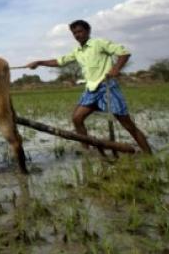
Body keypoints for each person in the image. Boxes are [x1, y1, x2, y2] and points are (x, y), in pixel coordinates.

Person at [26, 20, 152, 154]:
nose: (77, 35)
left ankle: (148, 154)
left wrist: (116, 69)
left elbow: (124, 53)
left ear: (88, 31)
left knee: (128, 125)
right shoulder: (77, 51)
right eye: (74, 33)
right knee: (77, 118)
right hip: (91, 90)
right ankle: (86, 150)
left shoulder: (99, 43)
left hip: (107, 87)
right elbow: (59, 61)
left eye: (80, 31)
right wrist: (40, 62)